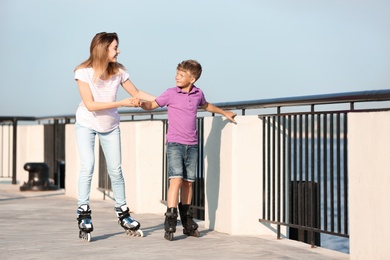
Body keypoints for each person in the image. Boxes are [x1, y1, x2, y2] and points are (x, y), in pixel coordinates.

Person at [141, 59, 236, 240]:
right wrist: (141, 104)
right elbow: (153, 104)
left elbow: (206, 105)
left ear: (192, 79)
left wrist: (224, 112)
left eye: (181, 75)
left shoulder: (198, 93)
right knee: (175, 179)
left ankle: (186, 218)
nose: (177, 77)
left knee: (188, 182)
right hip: (175, 143)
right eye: (177, 73)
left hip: (192, 144)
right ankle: (170, 218)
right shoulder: (170, 93)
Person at [74, 32, 155, 241]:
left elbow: (136, 92)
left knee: (116, 170)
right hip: (86, 124)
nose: (118, 51)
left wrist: (167, 99)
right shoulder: (83, 72)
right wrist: (122, 103)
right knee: (88, 166)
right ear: (103, 49)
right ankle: (83, 212)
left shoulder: (118, 71)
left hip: (110, 126)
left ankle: (122, 212)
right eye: (115, 47)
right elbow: (91, 105)